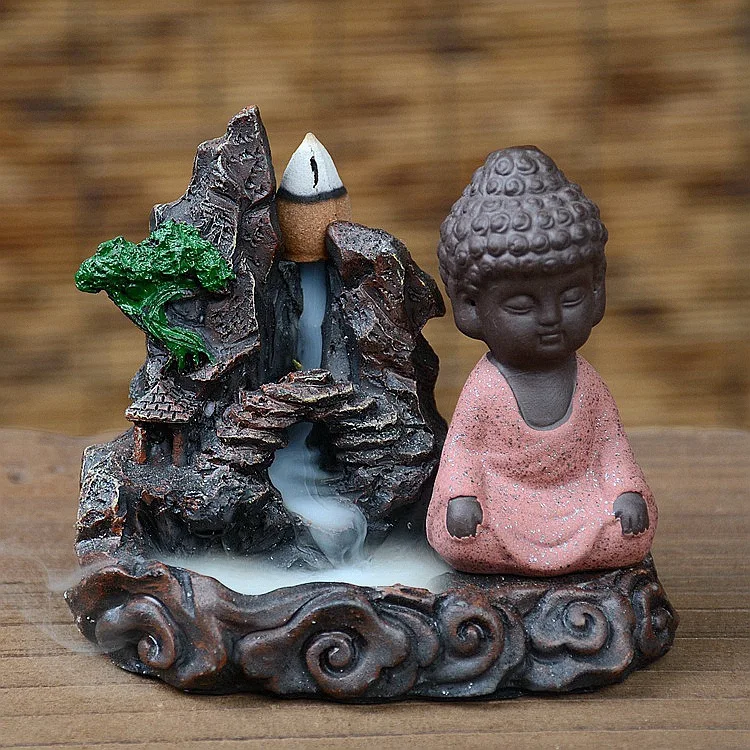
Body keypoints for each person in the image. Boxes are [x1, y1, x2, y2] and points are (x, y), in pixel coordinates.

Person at [426, 146, 657, 575]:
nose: (551, 318)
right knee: (461, 539)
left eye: (570, 298)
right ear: (470, 307)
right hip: (503, 504)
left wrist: (625, 491)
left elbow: (610, 446)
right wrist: (462, 497)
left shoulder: (588, 384)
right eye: (521, 305)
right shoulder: (485, 388)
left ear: (597, 293)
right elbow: (462, 450)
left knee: (629, 534)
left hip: (579, 497)